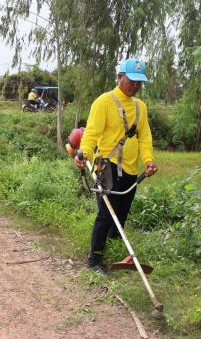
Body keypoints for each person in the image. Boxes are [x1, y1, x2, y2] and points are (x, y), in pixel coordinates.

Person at [75, 58, 158, 275]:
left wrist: (148, 160)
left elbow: (144, 137)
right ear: (120, 77)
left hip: (130, 170)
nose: (136, 86)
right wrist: (84, 154)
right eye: (132, 81)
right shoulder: (104, 102)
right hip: (107, 167)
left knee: (121, 215)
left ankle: (111, 255)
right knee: (106, 214)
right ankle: (94, 261)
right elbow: (91, 133)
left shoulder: (140, 106)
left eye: (139, 82)